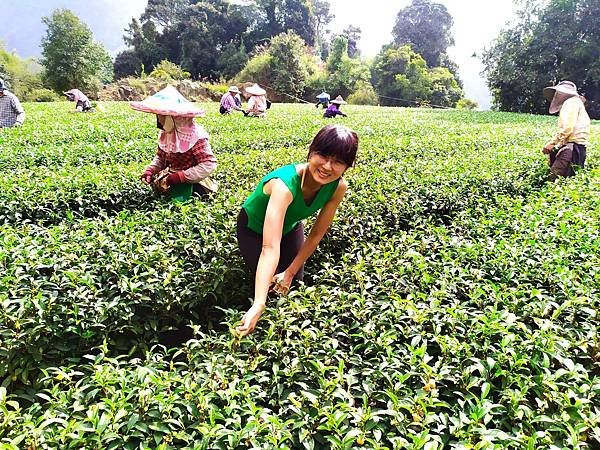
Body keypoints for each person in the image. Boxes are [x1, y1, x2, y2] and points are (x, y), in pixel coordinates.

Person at [235, 124, 359, 336]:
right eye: (323, 156)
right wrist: (259, 303)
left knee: (290, 286)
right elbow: (269, 248)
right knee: (267, 284)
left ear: (347, 166)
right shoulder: (284, 185)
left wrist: (290, 272)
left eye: (338, 162)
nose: (328, 167)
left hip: (290, 227)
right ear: (311, 152)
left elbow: (317, 233)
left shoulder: (338, 187)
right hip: (253, 228)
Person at [131, 86, 218, 202]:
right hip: (170, 178)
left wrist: (181, 177)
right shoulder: (166, 134)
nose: (159, 120)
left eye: (162, 117)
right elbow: (161, 158)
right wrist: (150, 170)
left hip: (193, 181)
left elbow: (208, 164)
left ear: (175, 118)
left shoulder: (196, 136)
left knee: (193, 197)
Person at [541, 80, 590, 180]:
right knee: (569, 181)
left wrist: (552, 143)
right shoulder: (576, 103)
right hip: (577, 149)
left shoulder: (570, 102)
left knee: (553, 180)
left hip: (571, 148)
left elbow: (567, 128)